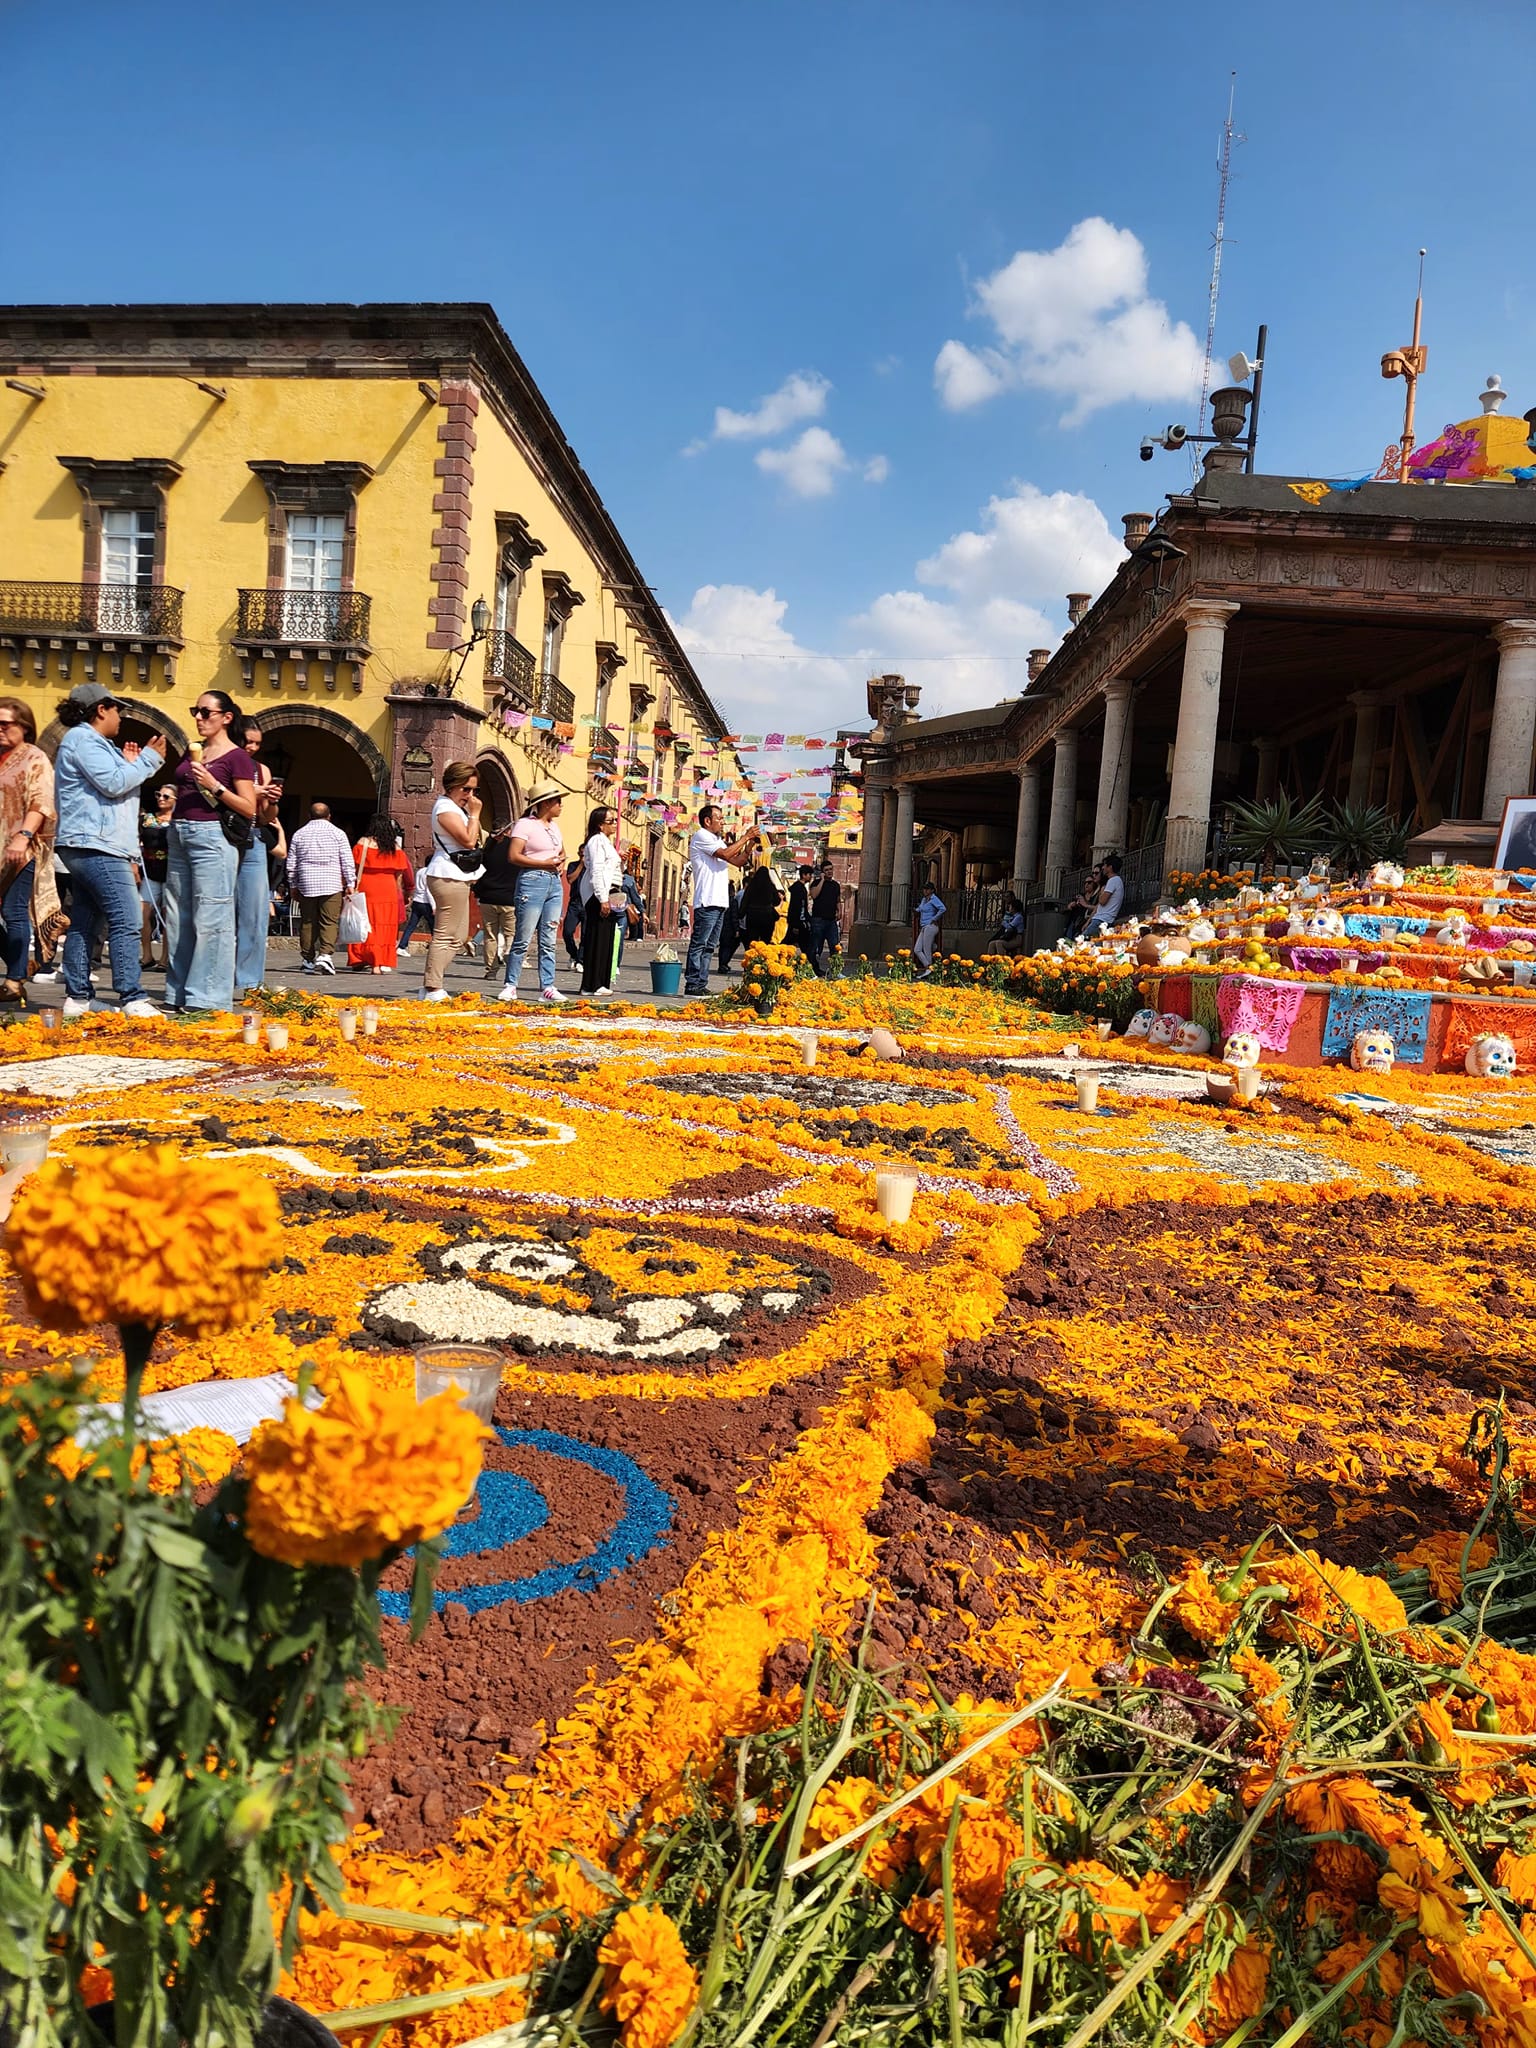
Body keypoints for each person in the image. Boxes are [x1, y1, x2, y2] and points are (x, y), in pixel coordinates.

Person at [51, 683, 165, 1019]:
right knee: (127, 918)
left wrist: (131, 764)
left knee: (86, 921)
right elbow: (114, 784)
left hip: (97, 843)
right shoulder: (83, 740)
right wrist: (148, 759)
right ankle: (132, 995)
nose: (120, 717)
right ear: (101, 709)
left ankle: (79, 999)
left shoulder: (96, 744)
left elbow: (117, 790)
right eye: (117, 710)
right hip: (95, 843)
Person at [165, 689, 257, 1015]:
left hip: (211, 838)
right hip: (179, 833)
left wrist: (215, 786)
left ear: (226, 718)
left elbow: (248, 807)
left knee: (211, 916)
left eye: (206, 712)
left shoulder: (238, 758)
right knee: (177, 916)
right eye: (196, 711)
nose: (199, 718)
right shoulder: (195, 751)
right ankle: (178, 992)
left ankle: (207, 997)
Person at [0, 696, 55, 1004]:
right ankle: (18, 962)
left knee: (13, 910)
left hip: (22, 847)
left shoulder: (33, 757)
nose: (0, 729)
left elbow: (41, 801)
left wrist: (23, 835)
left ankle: (14, 980)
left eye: (5, 724)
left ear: (24, 726)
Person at [495, 787, 567, 1004]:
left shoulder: (554, 828)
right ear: (545, 803)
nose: (560, 806)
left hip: (554, 883)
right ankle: (511, 984)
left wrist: (561, 859)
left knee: (549, 938)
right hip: (532, 880)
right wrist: (543, 863)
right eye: (557, 801)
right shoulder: (525, 824)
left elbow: (561, 850)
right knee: (523, 937)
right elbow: (514, 855)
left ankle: (547, 985)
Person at [422, 761, 483, 1002]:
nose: (470, 796)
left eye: (474, 790)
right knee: (445, 934)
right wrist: (475, 814)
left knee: (458, 937)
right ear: (452, 786)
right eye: (465, 789)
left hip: (457, 875)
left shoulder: (455, 808)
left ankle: (433, 982)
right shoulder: (444, 808)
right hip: (447, 875)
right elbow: (468, 840)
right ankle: (432, 986)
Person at [684, 806, 760, 995]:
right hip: (706, 900)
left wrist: (750, 846)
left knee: (710, 946)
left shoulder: (716, 840)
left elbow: (738, 861)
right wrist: (745, 837)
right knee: (699, 943)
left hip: (720, 901)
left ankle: (701, 983)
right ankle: (692, 983)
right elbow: (726, 855)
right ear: (707, 821)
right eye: (719, 818)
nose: (722, 821)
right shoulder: (701, 836)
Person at [236, 719, 284, 993]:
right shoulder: (222, 761)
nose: (252, 748)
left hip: (252, 837)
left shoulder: (260, 769)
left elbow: (265, 816)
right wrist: (249, 791)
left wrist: (272, 800)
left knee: (255, 913)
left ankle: (250, 981)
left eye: (257, 743)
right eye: (248, 742)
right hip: (224, 838)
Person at [285, 802, 357, 974]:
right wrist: (350, 883)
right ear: (329, 815)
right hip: (331, 883)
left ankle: (307, 959)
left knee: (307, 922)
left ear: (309, 816)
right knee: (329, 921)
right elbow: (346, 860)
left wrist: (292, 884)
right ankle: (325, 955)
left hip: (306, 882)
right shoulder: (338, 833)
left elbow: (291, 863)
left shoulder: (299, 834)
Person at [347, 814, 412, 973]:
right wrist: (401, 893)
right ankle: (378, 961)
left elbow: (353, 869)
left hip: (366, 888)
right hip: (388, 888)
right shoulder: (395, 848)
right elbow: (399, 875)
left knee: (364, 922)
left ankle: (360, 957)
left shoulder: (362, 844)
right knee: (384, 926)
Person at [576, 805, 624, 996]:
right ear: (599, 825)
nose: (614, 824)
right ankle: (592, 983)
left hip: (610, 891)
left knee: (606, 938)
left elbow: (610, 868)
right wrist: (602, 898)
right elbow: (596, 870)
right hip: (599, 894)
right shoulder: (597, 841)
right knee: (598, 938)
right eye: (610, 821)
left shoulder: (606, 842)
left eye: (615, 820)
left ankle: (599, 982)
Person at [139, 783, 175, 970]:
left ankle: (165, 958)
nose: (161, 798)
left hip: (170, 872)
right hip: (150, 871)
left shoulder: (178, 821)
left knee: (169, 915)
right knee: (142, 914)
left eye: (166, 796)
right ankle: (146, 955)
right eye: (158, 794)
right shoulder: (147, 819)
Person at [806, 861, 842, 974]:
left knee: (835, 946)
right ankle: (812, 970)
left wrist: (839, 910)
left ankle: (836, 971)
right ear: (822, 872)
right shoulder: (816, 883)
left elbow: (838, 900)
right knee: (816, 947)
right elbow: (814, 895)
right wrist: (821, 880)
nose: (829, 872)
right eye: (826, 870)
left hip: (831, 921)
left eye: (831, 869)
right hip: (818, 920)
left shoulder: (836, 885)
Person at [738, 859, 782, 945]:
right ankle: (762, 957)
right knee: (765, 941)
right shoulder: (770, 886)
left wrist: (741, 914)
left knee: (752, 941)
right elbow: (777, 901)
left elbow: (745, 901)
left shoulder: (751, 886)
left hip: (752, 917)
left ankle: (752, 957)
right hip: (767, 917)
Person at [1082, 853, 1126, 938]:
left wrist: (1102, 892)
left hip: (1102, 919)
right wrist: (1088, 922)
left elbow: (1102, 901)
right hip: (1101, 919)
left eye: (1105, 865)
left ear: (1110, 867)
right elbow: (1098, 907)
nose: (1103, 868)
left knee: (1082, 943)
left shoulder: (1113, 881)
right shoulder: (1115, 881)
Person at [401, 851, 435, 950]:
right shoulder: (430, 873)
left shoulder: (420, 872)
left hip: (417, 901)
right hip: (426, 902)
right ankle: (435, 945)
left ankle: (402, 945)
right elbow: (429, 891)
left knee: (411, 925)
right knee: (433, 925)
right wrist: (433, 906)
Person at [912, 882, 946, 974]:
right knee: (917, 949)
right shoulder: (924, 900)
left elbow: (943, 908)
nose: (925, 891)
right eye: (924, 889)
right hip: (924, 926)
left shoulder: (934, 899)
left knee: (926, 948)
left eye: (927, 889)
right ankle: (928, 966)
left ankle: (929, 969)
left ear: (932, 890)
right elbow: (920, 908)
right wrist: (915, 910)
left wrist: (934, 918)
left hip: (931, 926)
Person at [1063, 863, 1103, 940]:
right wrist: (1072, 905)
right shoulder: (1081, 895)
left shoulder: (1096, 895)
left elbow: (1097, 907)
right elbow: (1069, 907)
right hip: (1074, 923)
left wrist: (1085, 904)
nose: (1086, 885)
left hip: (1085, 923)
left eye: (1089, 882)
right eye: (1085, 883)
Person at [560, 857, 584, 967]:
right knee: (567, 931)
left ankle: (580, 960)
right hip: (574, 902)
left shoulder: (594, 866)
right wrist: (581, 865)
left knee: (586, 934)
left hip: (587, 903)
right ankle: (574, 954)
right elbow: (570, 880)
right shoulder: (573, 865)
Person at [786, 867, 813, 956]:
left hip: (798, 921)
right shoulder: (799, 889)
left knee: (789, 944)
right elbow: (797, 907)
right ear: (804, 875)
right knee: (789, 945)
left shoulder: (800, 888)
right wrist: (796, 924)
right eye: (809, 874)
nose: (811, 877)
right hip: (798, 922)